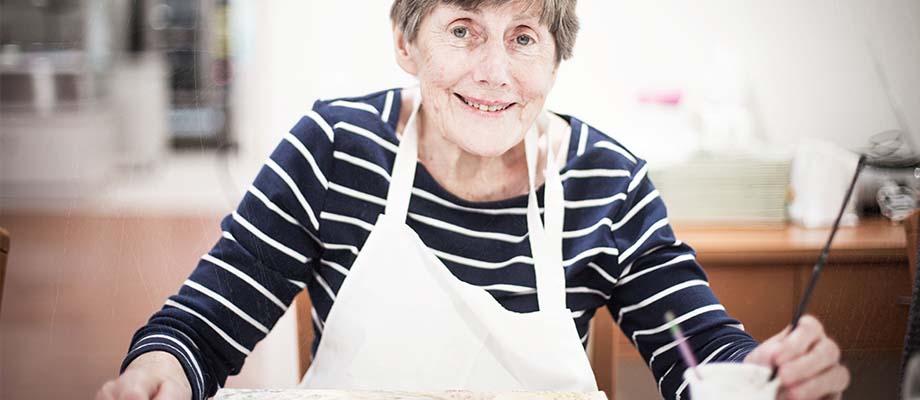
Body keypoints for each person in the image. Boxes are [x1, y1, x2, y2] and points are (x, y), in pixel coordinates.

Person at [97, 1, 850, 399]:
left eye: (523, 37)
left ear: (556, 56)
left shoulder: (607, 183)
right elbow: (201, 328)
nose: (495, 73)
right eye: (462, 29)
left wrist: (764, 375)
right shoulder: (333, 149)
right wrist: (160, 370)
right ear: (405, 41)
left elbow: (701, 354)